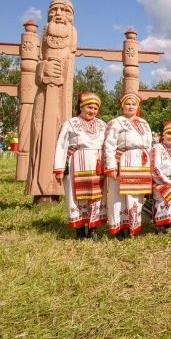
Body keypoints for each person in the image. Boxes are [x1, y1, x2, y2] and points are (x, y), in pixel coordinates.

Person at [26, 0, 78, 202]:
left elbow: (70, 64)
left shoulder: (72, 33)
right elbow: (39, 60)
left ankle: (56, 188)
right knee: (39, 132)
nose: (59, 13)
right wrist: (42, 69)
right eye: (54, 9)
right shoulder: (46, 31)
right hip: (43, 94)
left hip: (62, 98)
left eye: (65, 10)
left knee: (61, 136)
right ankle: (38, 189)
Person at [53, 92, 107, 239]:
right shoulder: (70, 124)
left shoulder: (102, 125)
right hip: (76, 163)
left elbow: (108, 145)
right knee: (76, 197)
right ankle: (79, 230)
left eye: (95, 109)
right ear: (81, 107)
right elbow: (61, 146)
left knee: (96, 197)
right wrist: (59, 168)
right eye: (89, 107)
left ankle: (93, 229)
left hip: (96, 164)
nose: (92, 111)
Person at [103, 92, 153, 239]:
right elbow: (109, 145)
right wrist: (111, 165)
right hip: (122, 160)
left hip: (140, 161)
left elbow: (149, 144)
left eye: (133, 104)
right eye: (128, 104)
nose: (130, 106)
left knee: (136, 196)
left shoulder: (144, 123)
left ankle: (134, 226)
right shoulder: (116, 122)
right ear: (122, 106)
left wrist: (148, 163)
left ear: (137, 106)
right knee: (117, 195)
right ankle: (119, 228)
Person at [150, 120, 171, 233]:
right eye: (168, 133)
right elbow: (154, 169)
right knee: (169, 194)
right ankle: (160, 224)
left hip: (170, 180)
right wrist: (168, 182)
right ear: (163, 134)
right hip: (158, 181)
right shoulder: (157, 148)